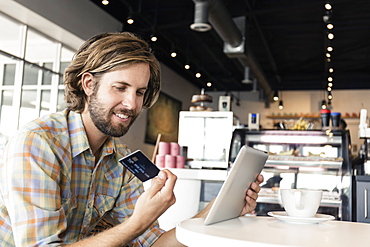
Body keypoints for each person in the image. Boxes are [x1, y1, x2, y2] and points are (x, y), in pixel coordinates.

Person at [0, 32, 263, 246]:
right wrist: (138, 221)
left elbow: (153, 245)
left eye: (140, 92)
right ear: (89, 84)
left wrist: (215, 210)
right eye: (121, 88)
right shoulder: (38, 143)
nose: (131, 104)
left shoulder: (121, 159)